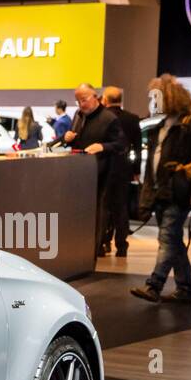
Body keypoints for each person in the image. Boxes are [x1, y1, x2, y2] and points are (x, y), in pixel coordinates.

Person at [130, 74, 191, 304]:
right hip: (161, 191)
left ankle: (154, 285)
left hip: (179, 192)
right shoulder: (161, 125)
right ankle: (186, 288)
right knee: (173, 241)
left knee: (167, 237)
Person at [51, 82, 126, 257]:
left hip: (101, 174)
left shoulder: (109, 118)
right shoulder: (78, 115)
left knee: (99, 213)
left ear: (96, 97)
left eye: (84, 100)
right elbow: (74, 139)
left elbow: (121, 144)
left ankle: (94, 249)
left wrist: (102, 146)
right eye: (78, 101)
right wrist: (66, 138)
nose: (81, 104)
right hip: (80, 174)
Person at [100, 85, 142, 257]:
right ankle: (122, 246)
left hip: (105, 166)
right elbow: (137, 147)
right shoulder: (132, 119)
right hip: (123, 168)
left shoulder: (103, 118)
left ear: (105, 100)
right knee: (121, 207)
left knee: (104, 206)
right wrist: (136, 170)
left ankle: (103, 243)